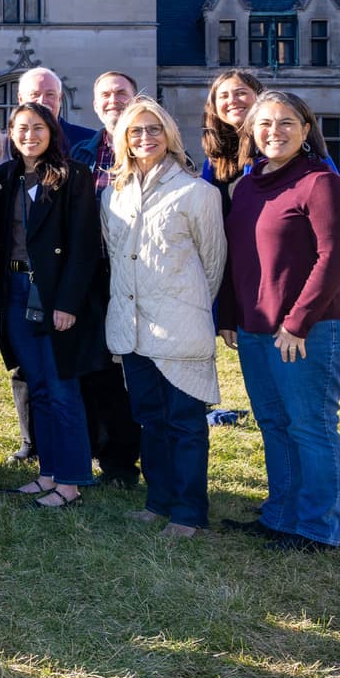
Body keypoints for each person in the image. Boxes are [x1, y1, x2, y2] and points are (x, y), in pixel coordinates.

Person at [224, 90, 340, 553]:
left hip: (314, 328)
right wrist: (230, 317)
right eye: (265, 123)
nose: (275, 131)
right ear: (251, 132)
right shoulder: (247, 186)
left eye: (286, 122)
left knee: (310, 425)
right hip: (257, 327)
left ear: (306, 130)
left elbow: (332, 259)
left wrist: (298, 322)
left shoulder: (320, 182)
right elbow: (237, 260)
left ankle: (317, 529)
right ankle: (281, 518)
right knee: (274, 422)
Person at [101, 97, 227, 538]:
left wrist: (184, 306)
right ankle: (158, 502)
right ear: (124, 140)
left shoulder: (198, 193)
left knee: (185, 423)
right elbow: (115, 257)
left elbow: (213, 265)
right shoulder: (113, 196)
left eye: (154, 129)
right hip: (133, 329)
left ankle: (189, 514)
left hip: (179, 328)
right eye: (135, 131)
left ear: (169, 134)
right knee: (150, 420)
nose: (145, 138)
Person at [0, 102, 106, 509]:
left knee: (61, 388)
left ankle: (70, 483)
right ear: (11, 133)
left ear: (52, 132)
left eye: (38, 127)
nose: (29, 135)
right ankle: (48, 475)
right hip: (15, 291)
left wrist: (68, 303)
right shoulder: (6, 177)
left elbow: (85, 247)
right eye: (21, 128)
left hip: (54, 295)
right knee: (36, 386)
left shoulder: (74, 175)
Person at [69, 70, 145, 489]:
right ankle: (94, 450)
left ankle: (122, 462)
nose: (113, 100)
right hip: (90, 275)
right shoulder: (80, 153)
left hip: (134, 276)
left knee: (127, 372)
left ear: (135, 98)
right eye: (105, 95)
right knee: (92, 367)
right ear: (95, 103)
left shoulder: (152, 148)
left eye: (121, 93)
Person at [199, 69, 264, 202]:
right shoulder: (213, 161)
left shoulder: (272, 150)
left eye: (241, 93)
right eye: (224, 96)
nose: (232, 101)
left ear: (259, 98)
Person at [18, 66, 98, 152]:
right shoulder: (9, 144)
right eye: (35, 94)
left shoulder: (90, 141)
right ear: (20, 99)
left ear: (59, 98)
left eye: (50, 94)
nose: (42, 101)